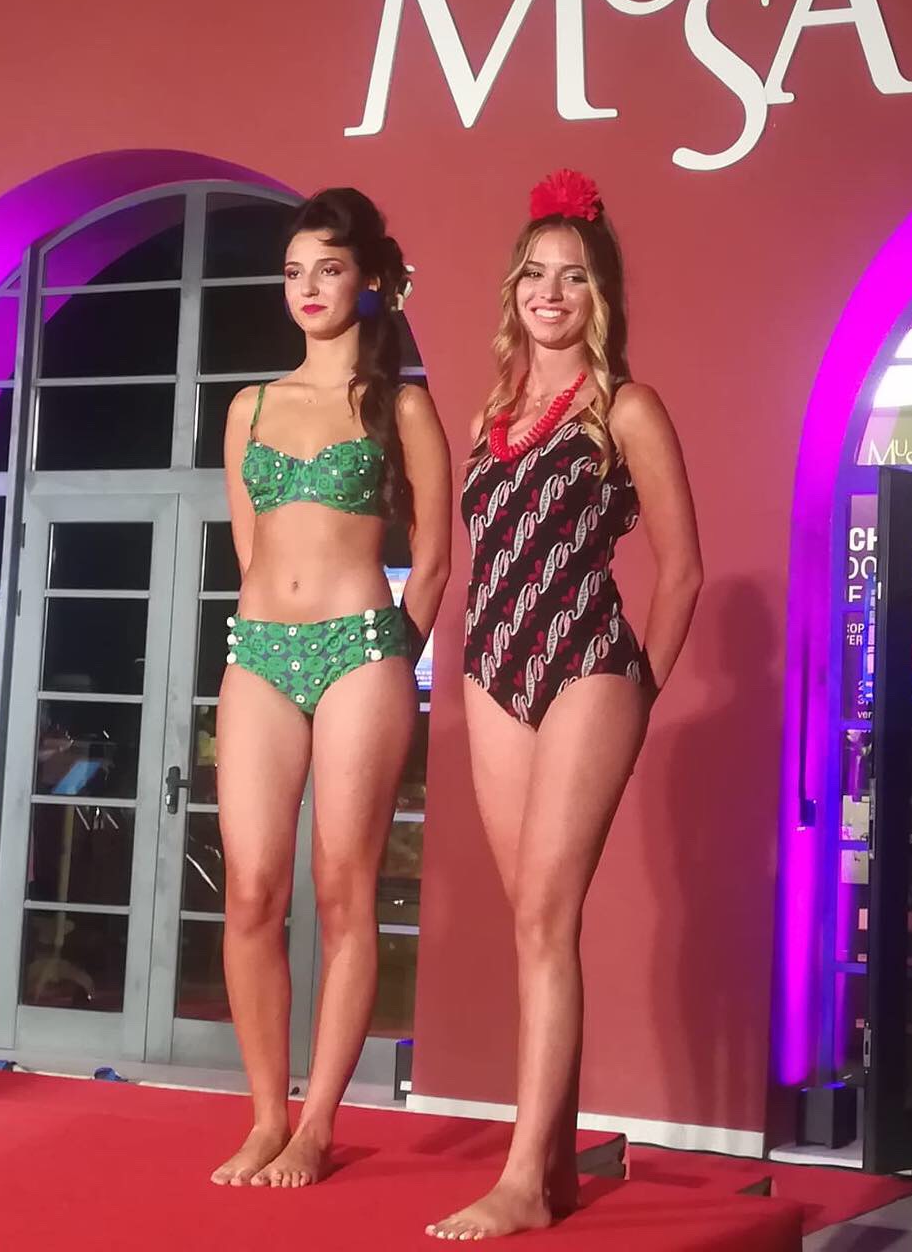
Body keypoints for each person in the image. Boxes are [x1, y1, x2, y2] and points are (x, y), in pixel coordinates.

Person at [426, 170, 703, 1240]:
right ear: (514, 290)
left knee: (546, 917)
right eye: (535, 274)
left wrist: (639, 695)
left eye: (573, 276)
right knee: (535, 927)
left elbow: (682, 570)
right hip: (491, 667)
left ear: (602, 296)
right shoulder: (490, 412)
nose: (550, 292)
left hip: (588, 660)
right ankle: (555, 1171)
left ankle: (518, 1180)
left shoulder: (626, 408)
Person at [209, 188, 451, 1189]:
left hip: (362, 649)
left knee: (343, 889)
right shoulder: (250, 408)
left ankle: (316, 1128)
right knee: (251, 893)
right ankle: (266, 1117)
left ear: (368, 281)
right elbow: (248, 550)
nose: (308, 288)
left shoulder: (402, 405)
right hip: (260, 653)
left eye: (330, 269)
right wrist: (272, 628)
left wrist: (390, 654)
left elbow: (434, 559)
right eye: (294, 272)